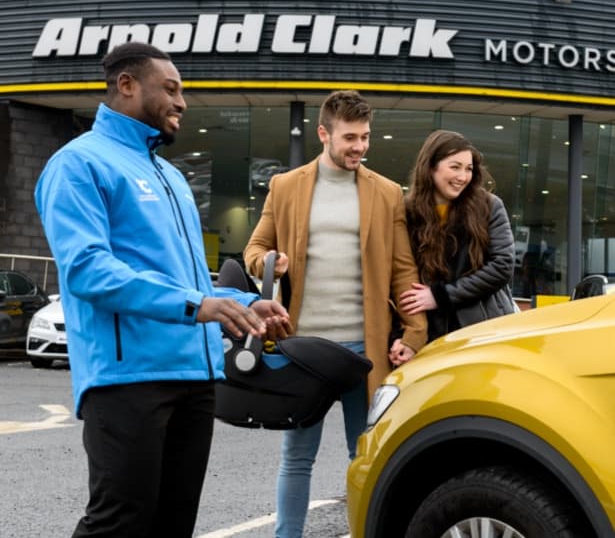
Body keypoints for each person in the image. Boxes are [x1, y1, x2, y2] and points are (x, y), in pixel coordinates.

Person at [34, 41, 291, 538]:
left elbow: (191, 283)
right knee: (119, 523)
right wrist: (198, 305)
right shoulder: (78, 164)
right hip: (127, 379)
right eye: (170, 89)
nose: (182, 102)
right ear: (128, 86)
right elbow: (88, 270)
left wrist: (243, 303)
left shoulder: (170, 176)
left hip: (194, 377)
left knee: (174, 524)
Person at [243, 89, 428, 538]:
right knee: (297, 456)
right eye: (350, 137)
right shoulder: (285, 186)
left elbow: (404, 272)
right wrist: (270, 264)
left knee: (364, 457)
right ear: (323, 133)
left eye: (365, 137)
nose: (359, 147)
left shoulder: (386, 193)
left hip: (363, 350)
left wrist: (414, 332)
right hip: (302, 348)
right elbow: (255, 248)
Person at [399, 129, 516, 341]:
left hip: (484, 330)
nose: (463, 177)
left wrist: (441, 295)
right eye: (455, 167)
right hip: (431, 334)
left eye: (469, 169)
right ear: (431, 167)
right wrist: (402, 336)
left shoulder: (489, 206)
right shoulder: (407, 212)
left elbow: (503, 266)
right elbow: (400, 274)